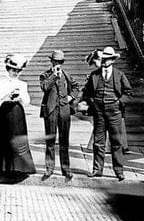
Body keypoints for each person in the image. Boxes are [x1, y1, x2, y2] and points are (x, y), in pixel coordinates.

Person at [78, 46, 131, 181]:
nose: (105, 61)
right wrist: (92, 102)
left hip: (115, 113)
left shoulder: (119, 75)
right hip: (99, 113)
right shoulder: (94, 75)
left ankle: (119, 170)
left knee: (116, 141)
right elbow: (87, 92)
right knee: (98, 142)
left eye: (108, 59)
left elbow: (128, 93)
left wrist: (119, 103)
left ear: (112, 60)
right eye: (103, 59)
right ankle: (97, 170)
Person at [0, 53, 36, 176]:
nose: (15, 73)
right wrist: (6, 96)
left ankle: (20, 167)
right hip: (5, 111)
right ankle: (5, 167)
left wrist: (20, 95)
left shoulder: (22, 84)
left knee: (18, 138)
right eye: (13, 70)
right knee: (6, 138)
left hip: (17, 112)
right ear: (8, 69)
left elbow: (27, 101)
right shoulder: (2, 82)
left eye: (18, 71)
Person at [39, 49, 79, 180]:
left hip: (64, 110)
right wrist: (54, 76)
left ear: (62, 63)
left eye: (60, 62)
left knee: (64, 141)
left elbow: (76, 88)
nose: (57, 64)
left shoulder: (67, 75)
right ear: (51, 62)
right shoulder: (45, 75)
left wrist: (70, 97)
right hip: (50, 110)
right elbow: (45, 87)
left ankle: (66, 169)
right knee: (50, 141)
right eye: (55, 61)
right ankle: (49, 168)